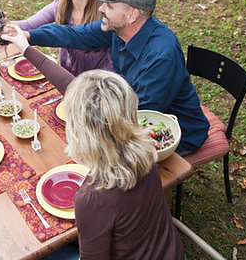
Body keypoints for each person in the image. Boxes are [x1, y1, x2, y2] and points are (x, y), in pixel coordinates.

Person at [3, 0, 209, 155]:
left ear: (132, 15)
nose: (101, 9)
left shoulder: (162, 55)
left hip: (173, 133)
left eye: (109, 6)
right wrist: (29, 35)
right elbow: (75, 34)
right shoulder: (117, 29)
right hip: (131, 113)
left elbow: (139, 115)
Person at [49, 70, 184, 259]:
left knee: (52, 251)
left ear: (80, 133)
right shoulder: (147, 151)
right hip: (170, 252)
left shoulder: (93, 198)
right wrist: (26, 49)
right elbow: (95, 102)